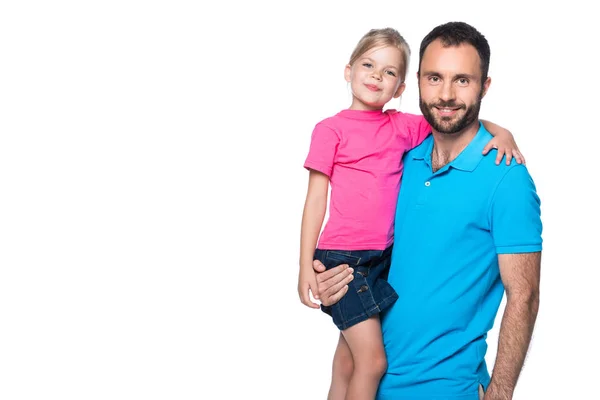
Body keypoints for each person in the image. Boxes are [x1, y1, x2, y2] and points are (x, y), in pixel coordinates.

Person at [299, 27, 528, 400]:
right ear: (348, 70)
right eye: (435, 78)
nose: (376, 76)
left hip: (380, 264)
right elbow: (315, 199)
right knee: (362, 362)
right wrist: (306, 265)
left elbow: (455, 118)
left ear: (401, 88)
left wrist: (503, 133)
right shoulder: (342, 134)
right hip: (342, 259)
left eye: (389, 72)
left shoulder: (405, 132)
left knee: (351, 360)